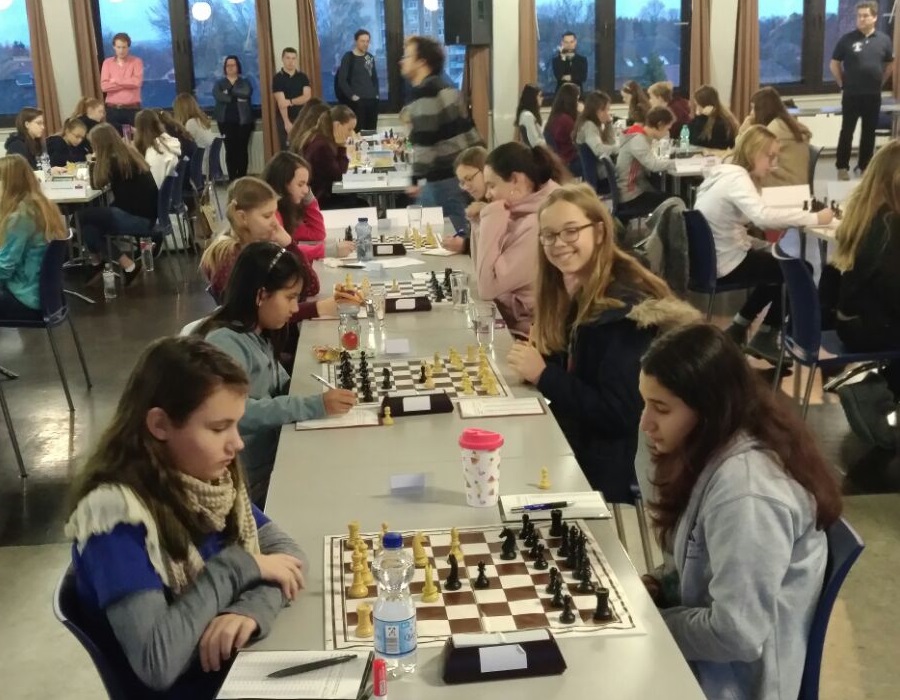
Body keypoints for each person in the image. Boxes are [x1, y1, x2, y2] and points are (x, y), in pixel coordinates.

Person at [65, 335, 307, 698]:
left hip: (233, 671)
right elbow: (157, 663)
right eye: (218, 428)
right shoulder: (117, 523)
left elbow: (289, 556)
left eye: (236, 425)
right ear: (160, 425)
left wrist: (249, 610)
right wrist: (238, 568)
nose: (237, 443)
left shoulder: (206, 484)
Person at [639, 323, 842, 700]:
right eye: (645, 403)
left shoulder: (748, 494)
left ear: (707, 410)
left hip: (733, 684)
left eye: (661, 408)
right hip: (710, 666)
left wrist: (651, 624)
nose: (645, 423)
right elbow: (702, 558)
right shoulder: (715, 448)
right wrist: (656, 586)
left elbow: (737, 634)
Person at [507, 183, 697, 502]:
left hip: (616, 470)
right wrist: (546, 358)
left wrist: (544, 374)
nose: (559, 243)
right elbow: (584, 369)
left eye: (571, 231)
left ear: (598, 231)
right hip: (590, 446)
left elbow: (619, 414)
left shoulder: (623, 310)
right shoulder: (589, 291)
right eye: (549, 235)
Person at [198, 242, 357, 504]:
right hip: (247, 485)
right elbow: (236, 413)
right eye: (290, 297)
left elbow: (282, 386)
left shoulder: (258, 333)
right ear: (261, 295)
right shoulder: (225, 343)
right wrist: (314, 405)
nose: (295, 309)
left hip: (270, 463)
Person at [694, 126, 833, 363]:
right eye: (770, 156)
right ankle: (766, 335)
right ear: (753, 152)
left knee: (777, 261)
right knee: (799, 269)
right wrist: (815, 218)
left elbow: (735, 225)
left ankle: (740, 326)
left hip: (713, 257)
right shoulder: (737, 179)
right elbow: (762, 217)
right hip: (726, 261)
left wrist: (759, 243)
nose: (773, 164)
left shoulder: (723, 173)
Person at [829, 141, 900, 449]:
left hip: (851, 319)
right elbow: (892, 289)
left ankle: (879, 392)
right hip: (870, 326)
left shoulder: (866, 212)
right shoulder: (890, 223)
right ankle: (875, 393)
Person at [200, 176, 339, 321]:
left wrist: (289, 244)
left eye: (275, 214)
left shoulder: (262, 245)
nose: (275, 223)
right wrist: (318, 308)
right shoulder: (229, 257)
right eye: (267, 216)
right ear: (242, 217)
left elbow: (309, 286)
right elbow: (255, 313)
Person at [471, 142, 565, 338]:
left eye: (492, 185)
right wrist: (478, 223)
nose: (487, 194)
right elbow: (478, 268)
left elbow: (486, 288)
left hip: (533, 335)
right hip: (513, 322)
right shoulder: (517, 213)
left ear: (516, 180)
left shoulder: (538, 223)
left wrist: (490, 217)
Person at [400, 35, 483, 231]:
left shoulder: (424, 91)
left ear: (421, 62)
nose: (402, 61)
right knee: (462, 227)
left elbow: (425, 139)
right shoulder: (446, 85)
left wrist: (415, 178)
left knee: (438, 231)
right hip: (463, 169)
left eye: (407, 56)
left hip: (444, 175)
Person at [77, 123, 158, 283]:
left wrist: (93, 161)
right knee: (89, 228)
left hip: (135, 217)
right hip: (147, 214)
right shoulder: (128, 154)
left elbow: (97, 184)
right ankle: (125, 266)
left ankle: (98, 262)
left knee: (80, 217)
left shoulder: (114, 161)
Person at [830, 1, 893, 180]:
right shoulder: (847, 39)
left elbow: (890, 64)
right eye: (859, 16)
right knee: (847, 131)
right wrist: (842, 84)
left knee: (868, 132)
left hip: (872, 95)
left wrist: (880, 83)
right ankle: (842, 167)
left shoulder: (884, 40)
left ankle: (865, 166)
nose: (861, 19)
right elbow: (834, 64)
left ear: (874, 17)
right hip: (851, 95)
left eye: (865, 16)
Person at [0, 154, 66, 317]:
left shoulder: (20, 217)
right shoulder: (42, 205)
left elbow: (4, 269)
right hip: (47, 296)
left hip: (26, 297)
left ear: (8, 183)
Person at [261, 151, 354, 260]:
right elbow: (285, 251)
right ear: (282, 184)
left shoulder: (288, 211)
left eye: (307, 184)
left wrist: (309, 198)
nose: (306, 190)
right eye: (300, 184)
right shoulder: (273, 214)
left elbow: (317, 234)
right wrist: (331, 250)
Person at [740, 87, 811, 187]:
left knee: (743, 176)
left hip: (784, 185)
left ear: (762, 110)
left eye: (753, 108)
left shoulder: (775, 130)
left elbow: (745, 152)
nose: (751, 113)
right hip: (797, 184)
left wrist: (744, 131)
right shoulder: (786, 123)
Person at [615, 106, 675, 212]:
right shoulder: (638, 140)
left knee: (669, 195)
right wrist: (677, 163)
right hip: (631, 196)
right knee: (676, 200)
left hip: (632, 190)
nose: (667, 133)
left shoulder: (639, 136)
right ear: (660, 125)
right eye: (667, 129)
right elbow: (654, 166)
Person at [297, 106, 359, 209]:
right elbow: (338, 175)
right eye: (349, 129)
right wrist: (342, 147)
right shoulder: (322, 147)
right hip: (320, 200)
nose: (351, 134)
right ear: (337, 125)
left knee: (356, 199)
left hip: (320, 195)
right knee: (359, 203)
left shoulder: (318, 137)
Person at [213, 55, 255, 181]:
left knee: (242, 150)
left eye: (233, 65)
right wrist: (236, 97)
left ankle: (242, 179)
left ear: (238, 67)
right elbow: (218, 95)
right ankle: (232, 179)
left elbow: (246, 93)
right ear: (225, 68)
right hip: (225, 122)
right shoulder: (219, 83)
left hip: (244, 122)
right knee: (230, 150)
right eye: (228, 65)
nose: (230, 67)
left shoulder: (245, 82)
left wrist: (229, 92)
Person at [443, 146, 488, 254]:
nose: (467, 187)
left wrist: (464, 245)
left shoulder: (497, 204)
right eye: (462, 182)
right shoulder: (476, 203)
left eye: (469, 179)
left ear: (486, 170)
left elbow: (493, 249)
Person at [337, 29, 380, 131]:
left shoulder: (369, 57)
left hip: (372, 100)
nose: (365, 44)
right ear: (356, 41)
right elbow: (342, 80)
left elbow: (374, 78)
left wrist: (376, 94)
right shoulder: (348, 57)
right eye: (362, 41)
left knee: (371, 131)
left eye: (367, 41)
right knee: (358, 131)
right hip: (357, 102)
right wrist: (352, 96)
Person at [100, 33, 144, 131]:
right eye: (118, 47)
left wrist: (115, 81)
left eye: (124, 47)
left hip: (132, 109)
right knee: (114, 138)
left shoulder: (136, 62)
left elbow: (136, 83)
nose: (121, 50)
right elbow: (104, 87)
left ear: (128, 47)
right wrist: (127, 83)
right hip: (112, 109)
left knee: (135, 137)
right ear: (114, 47)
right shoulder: (107, 63)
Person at [272, 47, 311, 150]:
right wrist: (287, 122)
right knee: (288, 149)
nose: (291, 61)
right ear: (283, 59)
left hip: (302, 118)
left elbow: (307, 97)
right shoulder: (278, 78)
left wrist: (290, 101)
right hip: (285, 118)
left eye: (293, 58)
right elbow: (281, 103)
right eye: (288, 58)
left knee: (303, 148)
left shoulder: (303, 77)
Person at [133, 109, 182, 187]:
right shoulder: (166, 143)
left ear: (140, 130)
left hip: (158, 192)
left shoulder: (154, 153)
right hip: (169, 192)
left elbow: (155, 186)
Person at [688, 85, 739, 151]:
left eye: (697, 105)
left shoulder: (720, 123)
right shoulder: (721, 117)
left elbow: (694, 141)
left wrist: (700, 117)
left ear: (705, 105)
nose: (697, 108)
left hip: (717, 156)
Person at [546, 83, 581, 177]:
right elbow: (579, 139)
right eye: (577, 99)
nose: (578, 103)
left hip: (561, 159)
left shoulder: (556, 116)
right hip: (569, 161)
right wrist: (582, 114)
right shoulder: (566, 120)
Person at [574, 90, 618, 166]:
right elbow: (598, 150)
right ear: (597, 111)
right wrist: (619, 149)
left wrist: (609, 123)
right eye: (606, 110)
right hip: (598, 169)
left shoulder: (595, 123)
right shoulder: (589, 125)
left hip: (599, 166)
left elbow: (611, 142)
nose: (608, 113)